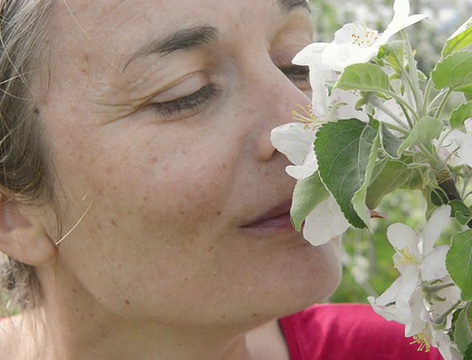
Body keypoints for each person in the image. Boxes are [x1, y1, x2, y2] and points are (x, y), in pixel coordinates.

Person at [0, 0, 443, 359]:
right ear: (12, 212)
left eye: (295, 64)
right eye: (184, 92)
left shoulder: (423, 348)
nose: (308, 127)